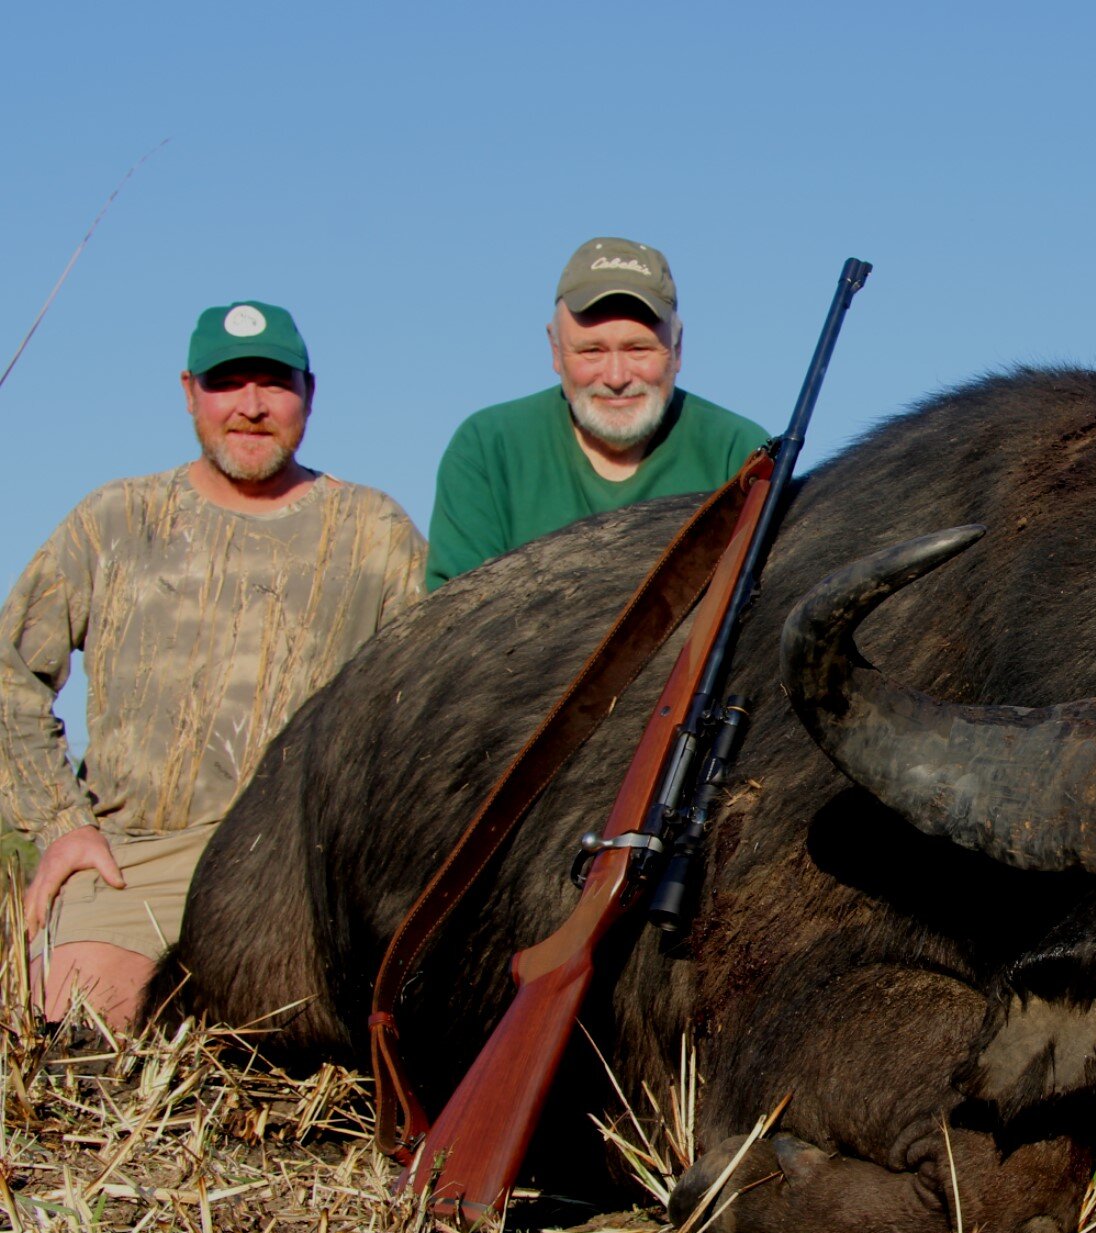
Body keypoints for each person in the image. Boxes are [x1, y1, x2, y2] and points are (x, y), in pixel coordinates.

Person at [0, 301, 426, 1030]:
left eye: (273, 383)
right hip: (140, 858)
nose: (251, 407)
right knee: (76, 1025)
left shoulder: (375, 532)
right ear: (190, 391)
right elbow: (11, 674)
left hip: (298, 865)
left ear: (309, 393)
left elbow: (425, 702)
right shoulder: (114, 519)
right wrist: (62, 824)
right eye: (228, 384)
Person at [424, 236, 768, 590]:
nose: (616, 377)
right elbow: (456, 623)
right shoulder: (486, 448)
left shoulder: (741, 454)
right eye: (591, 351)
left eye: (638, 349)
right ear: (555, 350)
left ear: (677, 349)